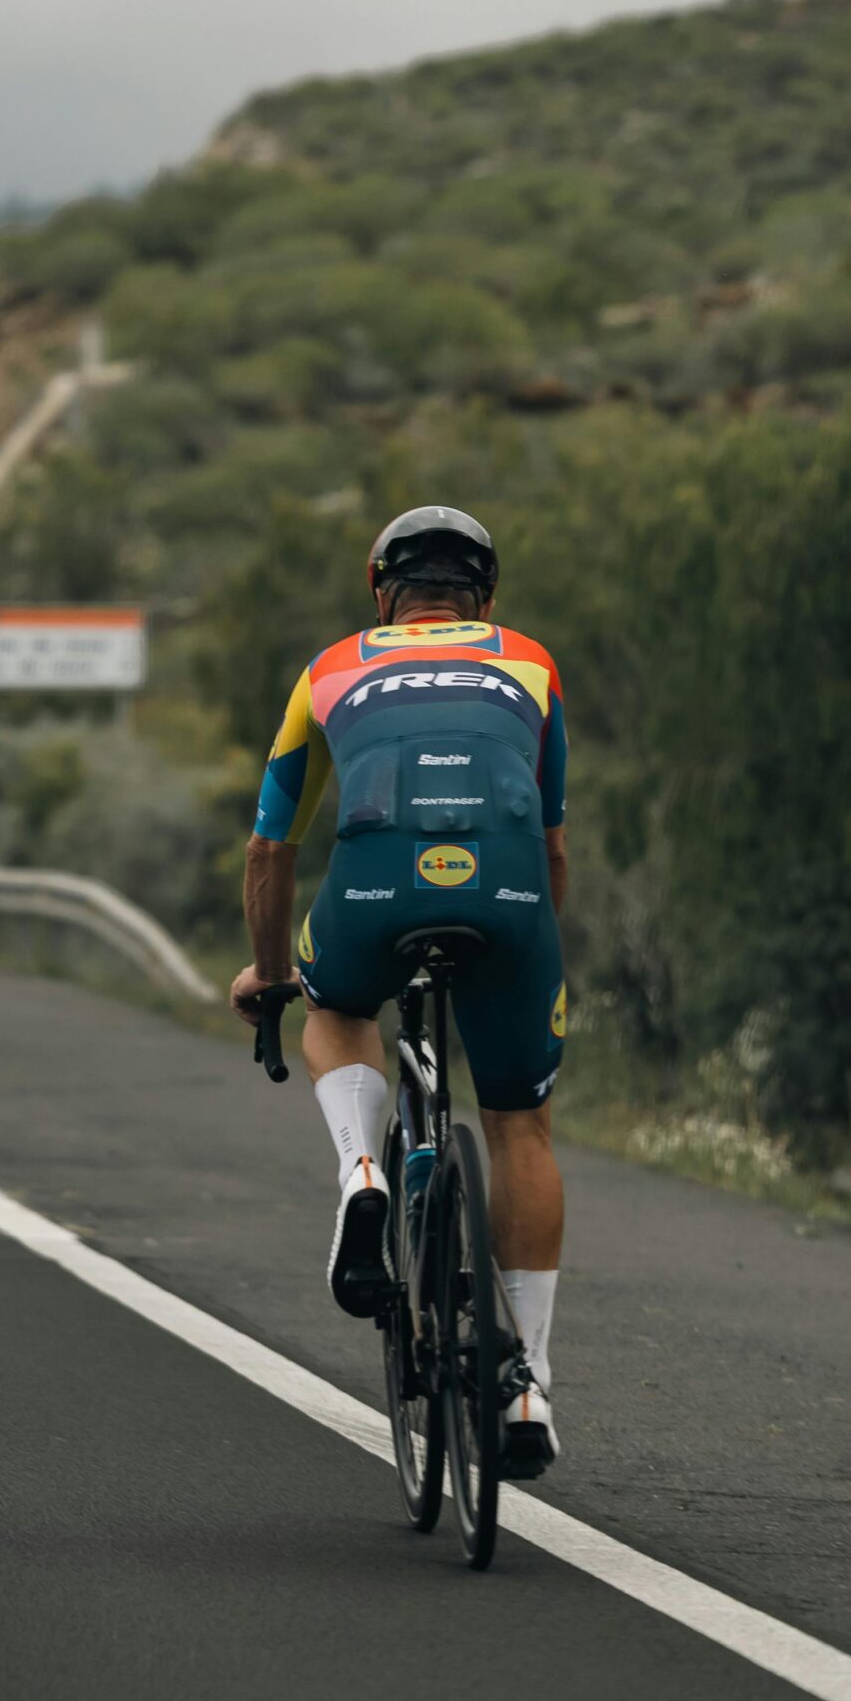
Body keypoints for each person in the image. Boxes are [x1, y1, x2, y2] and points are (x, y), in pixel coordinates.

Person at [231, 505, 569, 1477]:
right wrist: (535, 947)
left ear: (379, 592)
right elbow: (550, 843)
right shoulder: (531, 662)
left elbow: (269, 845)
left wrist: (268, 971)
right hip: (506, 896)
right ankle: (527, 1383)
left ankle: (362, 1176)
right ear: (486, 596)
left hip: (373, 890)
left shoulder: (329, 667)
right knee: (519, 1125)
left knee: (335, 1007)